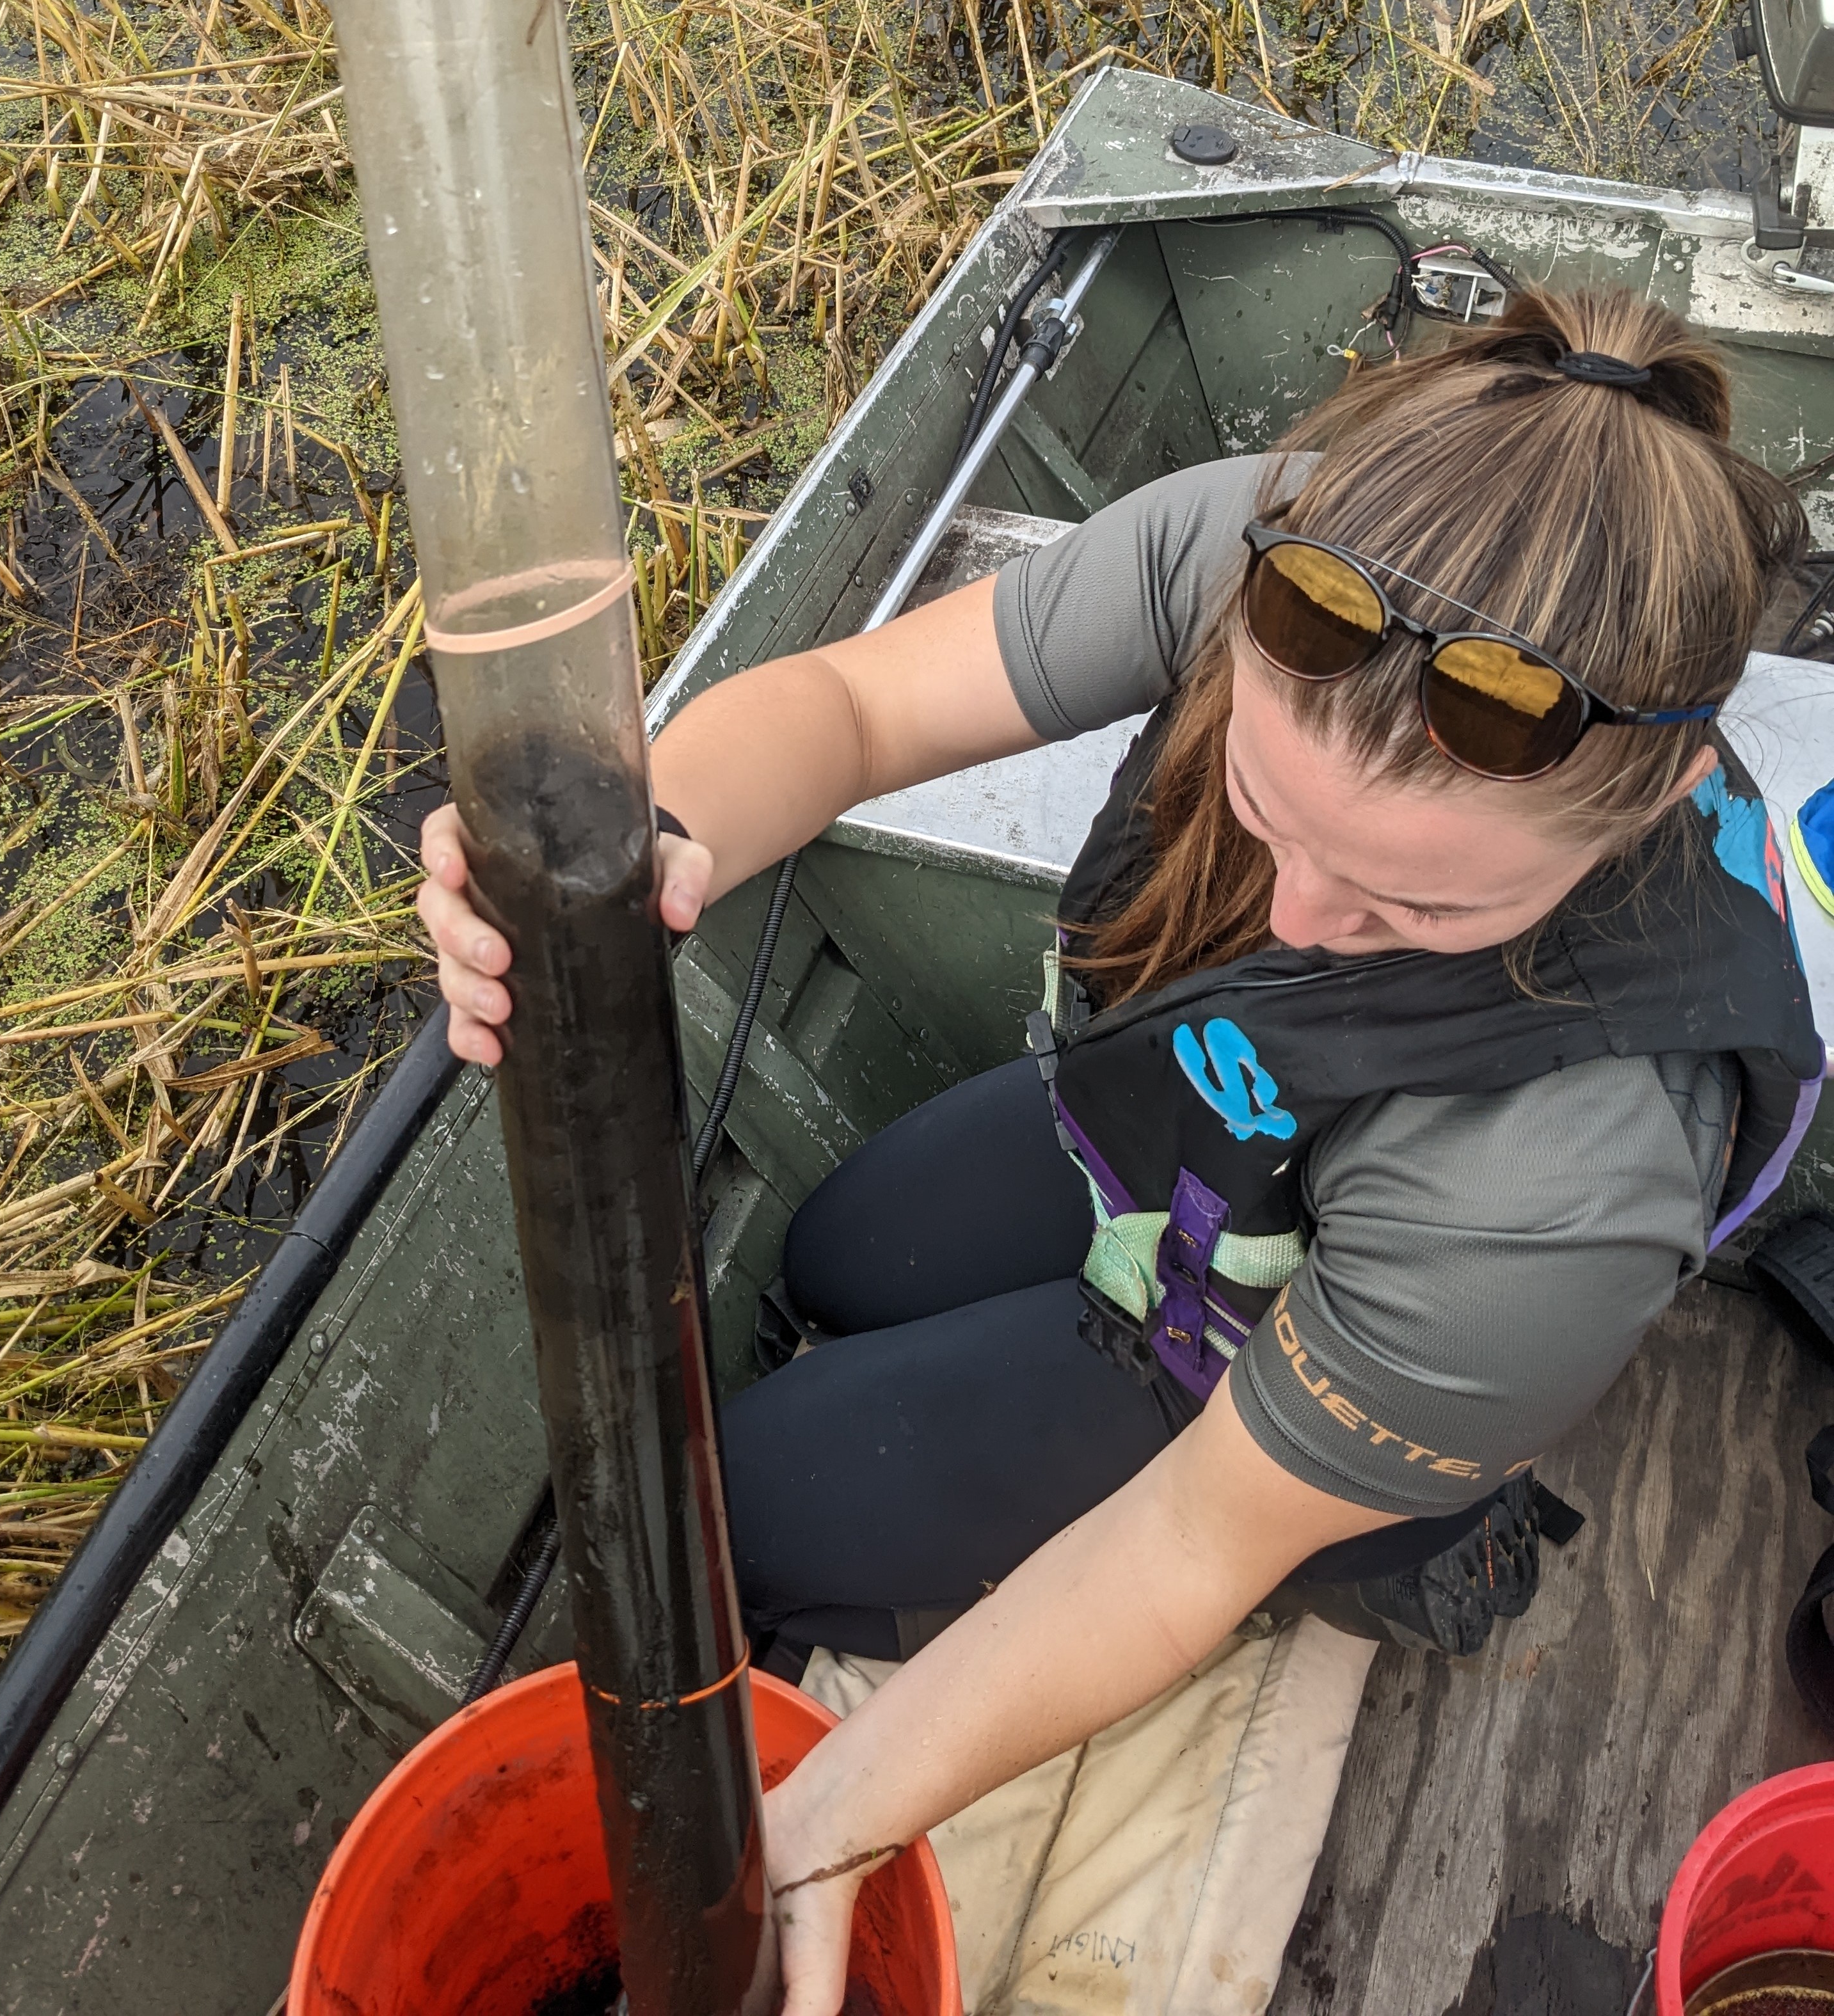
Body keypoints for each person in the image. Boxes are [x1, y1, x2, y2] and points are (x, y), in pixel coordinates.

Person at [418, 287, 1821, 2014]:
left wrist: (840, 1813)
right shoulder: (1282, 557)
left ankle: (1406, 1543)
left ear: (1657, 795)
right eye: (1262, 810)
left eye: (1415, 907)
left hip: (1263, 1352)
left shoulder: (1562, 1190)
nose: (1298, 919)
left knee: (745, 1525)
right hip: (1185, 1133)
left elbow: (1183, 1547)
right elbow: (855, 710)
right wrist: (635, 845)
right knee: (834, 1256)